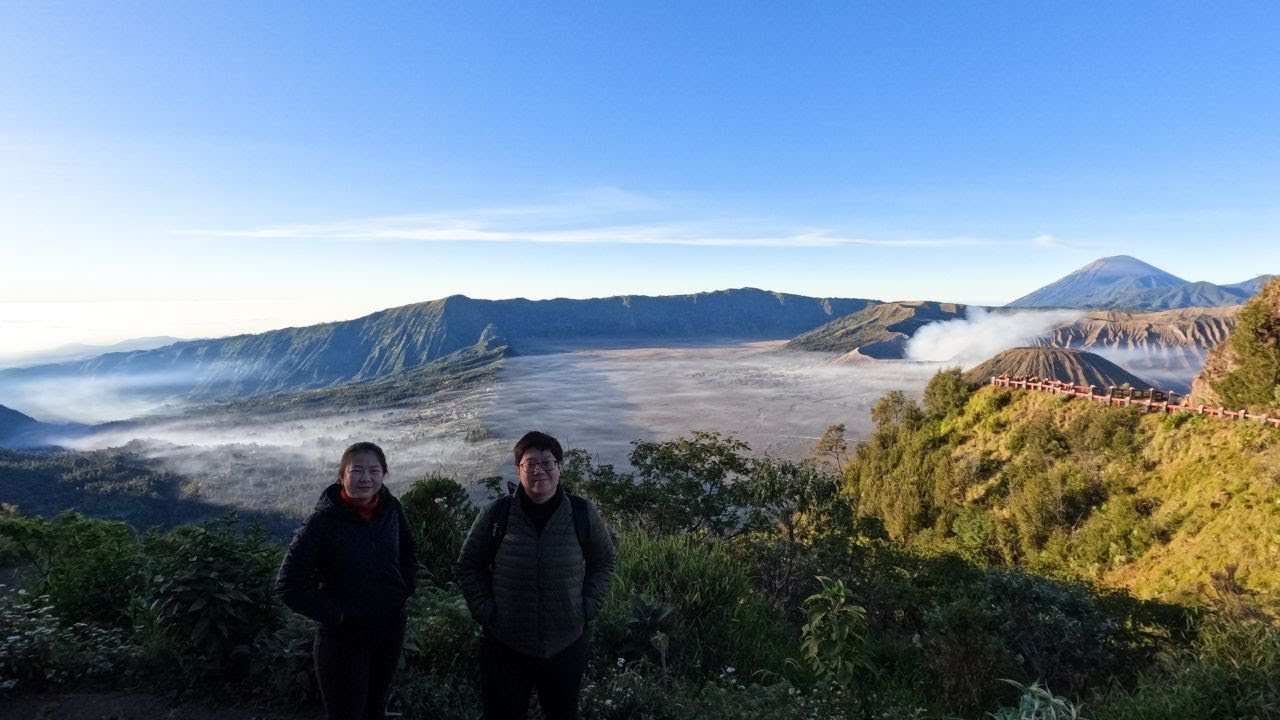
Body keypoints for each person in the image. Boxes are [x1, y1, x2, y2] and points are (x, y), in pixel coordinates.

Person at [458, 431, 617, 720]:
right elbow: (469, 564)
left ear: (559, 468)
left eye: (548, 463)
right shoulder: (498, 513)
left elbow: (603, 560)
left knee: (563, 713)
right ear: (518, 469)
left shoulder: (582, 512)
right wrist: (485, 610)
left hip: (566, 641)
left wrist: (588, 606)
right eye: (530, 464)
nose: (539, 470)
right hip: (505, 642)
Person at [276, 441, 417, 720]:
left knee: (375, 708)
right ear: (342, 476)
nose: (366, 478)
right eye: (357, 471)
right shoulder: (323, 522)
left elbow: (408, 551)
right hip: (343, 640)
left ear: (384, 474)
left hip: (389, 629)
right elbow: (288, 583)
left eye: (374, 470)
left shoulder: (391, 509)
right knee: (346, 713)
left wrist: (403, 590)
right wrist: (338, 615)